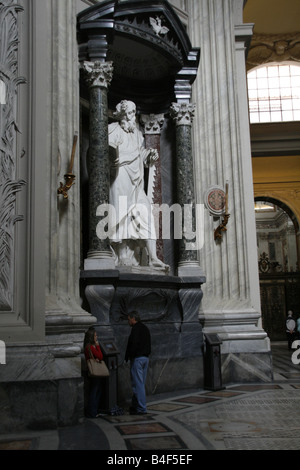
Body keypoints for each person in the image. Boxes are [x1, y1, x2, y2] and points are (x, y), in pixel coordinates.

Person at [108, 100, 166, 269]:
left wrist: (149, 155)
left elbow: (140, 154)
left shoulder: (137, 134)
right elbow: (105, 152)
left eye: (134, 112)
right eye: (130, 113)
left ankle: (153, 257)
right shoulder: (113, 130)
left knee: (146, 211)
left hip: (136, 180)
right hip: (120, 176)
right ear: (123, 115)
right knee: (123, 216)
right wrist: (114, 156)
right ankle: (122, 255)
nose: (132, 116)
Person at [125, 311, 151, 415]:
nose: (128, 322)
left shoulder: (135, 329)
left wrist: (129, 356)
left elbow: (133, 344)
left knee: (138, 384)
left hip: (138, 359)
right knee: (139, 384)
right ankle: (135, 405)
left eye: (128, 319)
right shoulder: (145, 328)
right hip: (145, 358)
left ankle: (141, 408)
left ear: (133, 318)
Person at [83, 327, 104, 418]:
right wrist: (98, 346)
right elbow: (100, 356)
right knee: (94, 391)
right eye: (95, 335)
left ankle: (93, 411)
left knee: (95, 390)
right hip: (94, 371)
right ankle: (92, 411)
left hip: (92, 370)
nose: (96, 337)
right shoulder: (91, 347)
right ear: (91, 337)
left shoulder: (87, 346)